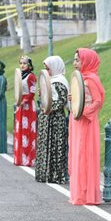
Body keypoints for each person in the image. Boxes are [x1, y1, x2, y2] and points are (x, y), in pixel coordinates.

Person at [68, 48, 105, 205]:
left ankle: (87, 193)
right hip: (77, 120)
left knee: (85, 154)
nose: (75, 63)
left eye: (78, 60)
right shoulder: (80, 79)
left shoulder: (91, 80)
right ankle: (79, 192)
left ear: (87, 61)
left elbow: (98, 101)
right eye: (75, 60)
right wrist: (73, 99)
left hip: (87, 122)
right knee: (78, 153)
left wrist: (84, 111)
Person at [35, 56, 69, 184]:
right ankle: (45, 173)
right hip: (47, 116)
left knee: (55, 145)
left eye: (48, 68)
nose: (47, 71)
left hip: (55, 119)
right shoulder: (50, 80)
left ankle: (55, 174)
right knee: (45, 144)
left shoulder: (60, 81)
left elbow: (61, 101)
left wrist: (49, 108)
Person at [14, 55, 37, 166]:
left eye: (24, 63)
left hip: (28, 106)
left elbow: (32, 92)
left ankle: (28, 158)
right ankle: (20, 156)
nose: (22, 65)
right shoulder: (20, 76)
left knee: (27, 130)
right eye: (21, 63)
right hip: (20, 104)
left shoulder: (31, 76)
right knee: (20, 129)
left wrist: (25, 101)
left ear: (29, 65)